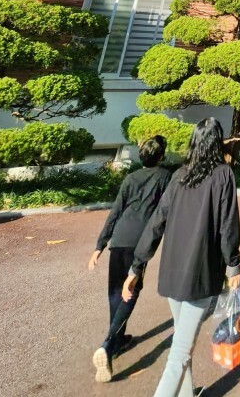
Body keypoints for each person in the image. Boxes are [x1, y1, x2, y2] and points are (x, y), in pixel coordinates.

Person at [121, 118, 240, 397]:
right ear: (217, 143)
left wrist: (137, 266)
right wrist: (233, 265)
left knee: (182, 342)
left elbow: (156, 222)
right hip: (201, 274)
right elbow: (228, 226)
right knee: (180, 353)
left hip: (172, 272)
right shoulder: (223, 175)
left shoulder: (179, 176)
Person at [88, 135, 170, 383]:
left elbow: (115, 212)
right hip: (140, 242)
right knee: (130, 291)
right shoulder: (164, 177)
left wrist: (100, 246)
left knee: (115, 291)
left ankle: (119, 339)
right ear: (161, 156)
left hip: (119, 238)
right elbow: (167, 210)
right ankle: (108, 344)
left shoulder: (130, 178)